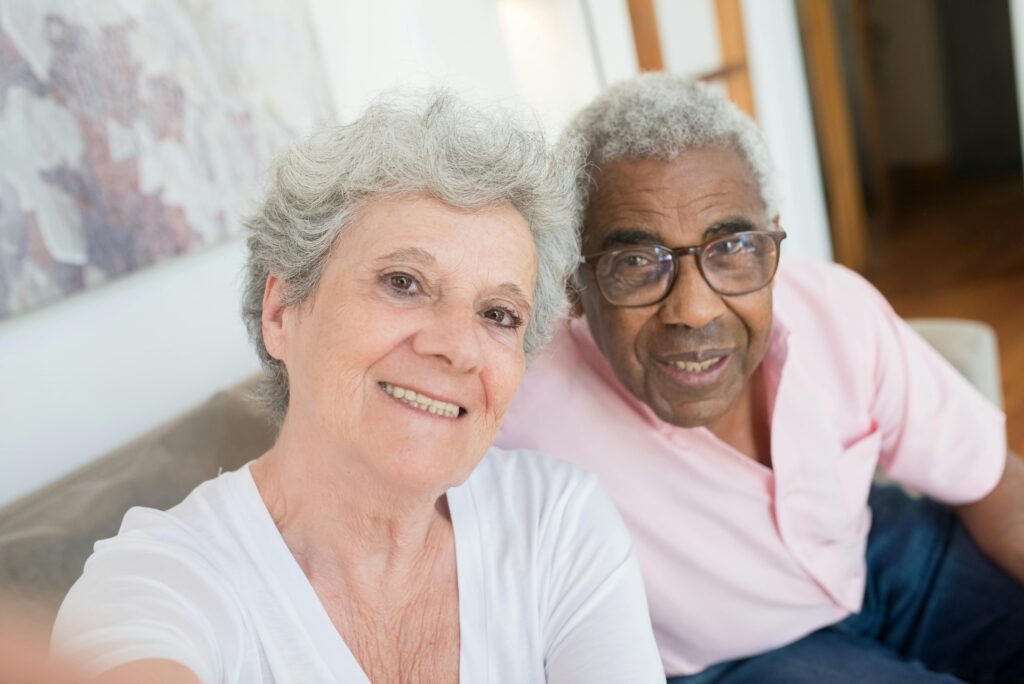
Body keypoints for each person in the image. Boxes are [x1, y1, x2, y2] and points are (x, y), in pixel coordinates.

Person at [51, 90, 665, 684]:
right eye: (403, 282)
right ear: (280, 312)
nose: (455, 345)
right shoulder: (160, 581)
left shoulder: (554, 522)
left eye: (498, 314)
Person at [497, 73, 1024, 683]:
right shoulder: (516, 408)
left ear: (770, 238)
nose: (694, 310)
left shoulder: (836, 308)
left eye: (732, 246)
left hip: (875, 547)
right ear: (573, 285)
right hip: (734, 659)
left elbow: (991, 479)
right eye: (636, 262)